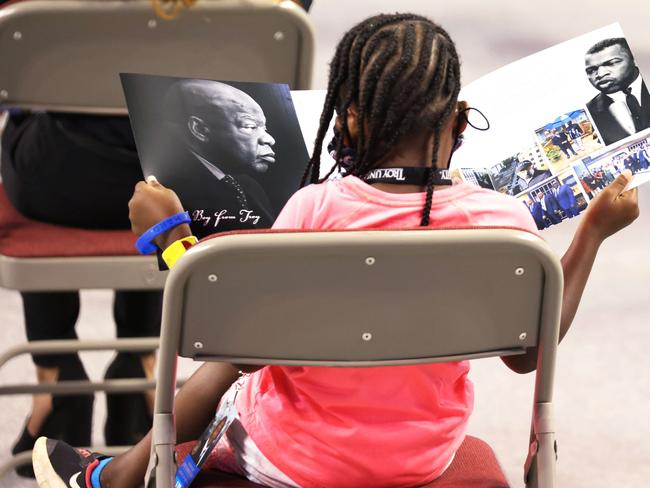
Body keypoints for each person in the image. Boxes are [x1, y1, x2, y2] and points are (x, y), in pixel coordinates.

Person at [31, 13, 639, 488]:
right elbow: (527, 359)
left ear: (346, 125)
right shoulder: (503, 223)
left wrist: (168, 236)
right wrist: (591, 233)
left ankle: (117, 475)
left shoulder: (314, 211)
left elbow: (231, 340)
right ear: (458, 123)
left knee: (229, 367)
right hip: (424, 457)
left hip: (298, 461)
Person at [1, 110, 163, 475]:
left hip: (54, 180)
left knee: (32, 115)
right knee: (151, 123)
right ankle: (140, 370)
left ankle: (55, 379)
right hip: (163, 174)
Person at [149, 80, 277, 239]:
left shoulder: (249, 187)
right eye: (250, 126)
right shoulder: (167, 193)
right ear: (200, 129)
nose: (270, 139)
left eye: (264, 128)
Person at [584, 38, 650, 145]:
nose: (600, 74)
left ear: (634, 59)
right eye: (591, 70)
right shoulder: (588, 113)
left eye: (611, 63)